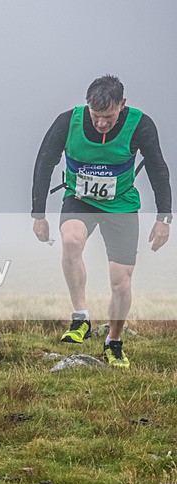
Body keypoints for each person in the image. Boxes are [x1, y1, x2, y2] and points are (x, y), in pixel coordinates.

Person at [31, 75, 171, 367]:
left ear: (122, 105)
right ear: (87, 106)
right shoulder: (67, 122)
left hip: (121, 207)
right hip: (80, 201)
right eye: (96, 116)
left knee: (121, 283)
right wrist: (39, 215)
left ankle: (114, 341)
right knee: (70, 241)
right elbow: (44, 162)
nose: (102, 123)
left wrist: (164, 218)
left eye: (108, 116)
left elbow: (158, 168)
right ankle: (80, 317)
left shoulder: (140, 125)